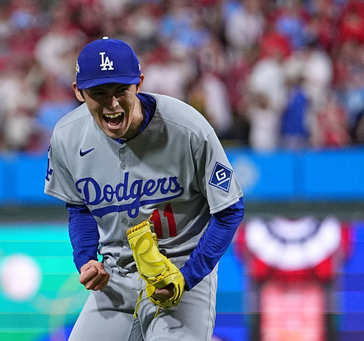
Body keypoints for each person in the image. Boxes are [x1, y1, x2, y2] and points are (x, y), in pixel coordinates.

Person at [44, 37, 244, 341]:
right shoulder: (67, 137)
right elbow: (80, 207)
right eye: (99, 93)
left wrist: (188, 276)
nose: (112, 104)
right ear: (78, 92)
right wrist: (85, 259)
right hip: (116, 275)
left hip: (180, 269)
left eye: (121, 91)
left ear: (139, 83)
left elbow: (229, 210)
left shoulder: (188, 128)